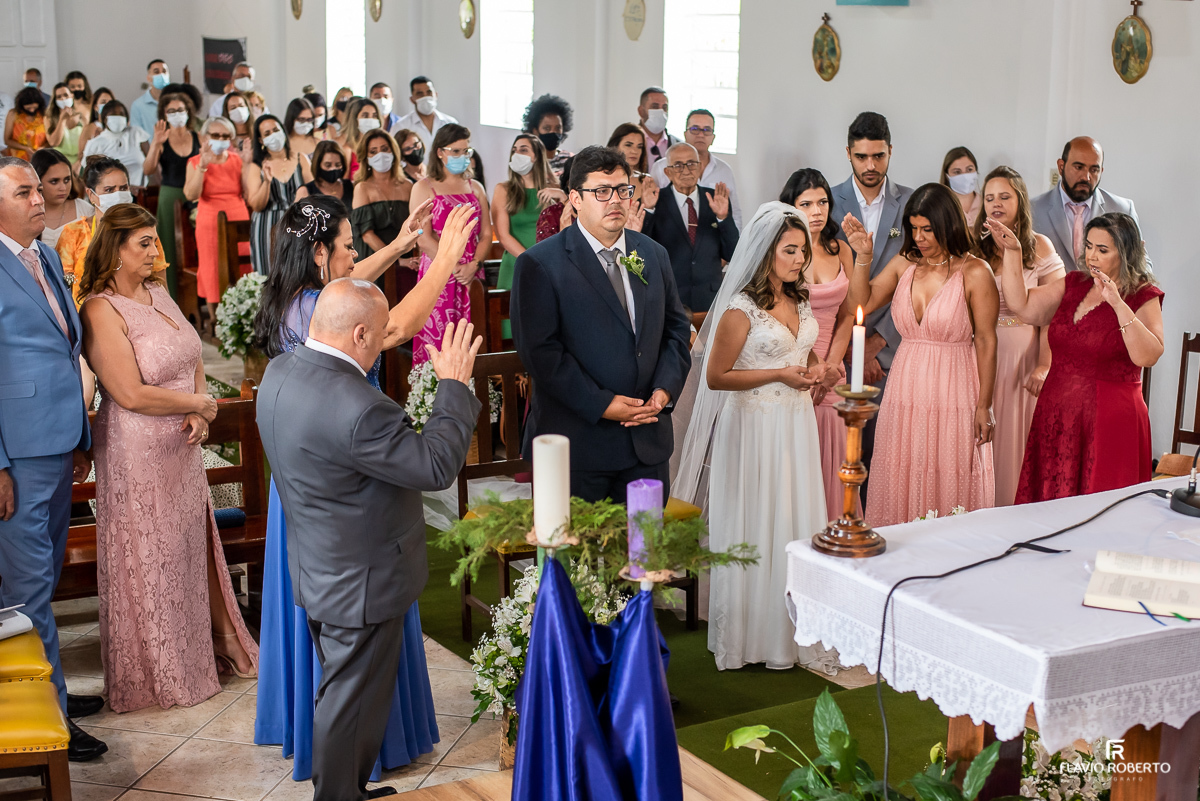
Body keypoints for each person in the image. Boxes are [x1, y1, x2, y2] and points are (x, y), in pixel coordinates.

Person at [252, 196, 470, 789]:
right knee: (349, 692)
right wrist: (452, 384)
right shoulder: (353, 395)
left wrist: (399, 248)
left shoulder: (287, 362)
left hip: (318, 522)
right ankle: (338, 789)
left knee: (344, 686)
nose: (355, 257)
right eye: (348, 247)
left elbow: (357, 301)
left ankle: (346, 782)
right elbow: (433, 464)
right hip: (356, 546)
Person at [77, 202, 258, 712]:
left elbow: (193, 355)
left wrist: (202, 413)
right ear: (114, 252)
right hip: (136, 451)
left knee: (185, 552)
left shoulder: (160, 293)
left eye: (155, 240)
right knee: (149, 558)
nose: (156, 250)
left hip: (181, 447)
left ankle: (208, 651)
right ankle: (158, 671)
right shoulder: (100, 309)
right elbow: (128, 393)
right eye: (145, 243)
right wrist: (197, 404)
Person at [677, 202, 838, 672]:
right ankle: (747, 636)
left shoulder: (802, 300)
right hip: (751, 427)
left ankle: (791, 631)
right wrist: (778, 376)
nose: (799, 261)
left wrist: (817, 373)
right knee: (755, 519)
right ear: (766, 252)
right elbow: (716, 378)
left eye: (802, 252)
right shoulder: (739, 308)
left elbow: (800, 361)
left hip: (795, 424)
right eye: (790, 251)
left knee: (792, 516)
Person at [0, 155, 107, 762]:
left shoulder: (40, 253)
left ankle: (52, 688)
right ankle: (53, 721)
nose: (40, 199)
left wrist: (80, 435)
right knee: (27, 590)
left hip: (58, 438)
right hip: (17, 450)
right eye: (24, 192)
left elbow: (65, 345)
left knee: (43, 576)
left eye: (39, 189)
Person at [511, 145, 692, 502]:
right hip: (578, 445)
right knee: (581, 557)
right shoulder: (541, 264)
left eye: (623, 190)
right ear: (575, 198)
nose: (616, 201)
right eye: (601, 192)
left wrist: (664, 391)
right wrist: (602, 404)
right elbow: (542, 355)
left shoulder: (652, 254)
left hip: (646, 440)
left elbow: (675, 330)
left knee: (646, 553)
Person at [846, 183, 999, 525]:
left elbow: (987, 341)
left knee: (950, 471)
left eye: (927, 229)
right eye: (914, 228)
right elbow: (862, 302)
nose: (919, 237)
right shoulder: (905, 264)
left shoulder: (975, 272)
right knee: (903, 470)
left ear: (948, 225)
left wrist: (984, 404)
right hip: (904, 390)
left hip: (955, 389)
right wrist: (863, 258)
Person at [993, 212, 1163, 503]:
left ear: (1125, 253)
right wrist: (1013, 253)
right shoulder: (1073, 283)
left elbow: (1148, 355)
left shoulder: (1143, 295)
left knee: (1099, 508)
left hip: (1109, 420)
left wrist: (1117, 303)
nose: (1092, 256)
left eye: (1103, 250)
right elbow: (1022, 306)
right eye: (1089, 246)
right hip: (1057, 414)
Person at [829, 112, 914, 499]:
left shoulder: (912, 203)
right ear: (848, 153)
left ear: (890, 152)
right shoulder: (827, 202)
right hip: (837, 346)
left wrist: (879, 342)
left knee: (886, 451)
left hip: (894, 349)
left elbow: (920, 278)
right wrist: (848, 346)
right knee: (841, 453)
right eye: (862, 157)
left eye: (878, 156)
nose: (870, 166)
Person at [971, 166, 1065, 506]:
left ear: (1020, 200)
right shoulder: (974, 246)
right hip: (978, 356)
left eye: (1004, 197)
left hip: (1022, 359)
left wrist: (1043, 364)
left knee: (1015, 445)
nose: (996, 204)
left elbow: (1055, 311)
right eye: (990, 197)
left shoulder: (1038, 245)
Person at [780, 169, 859, 522]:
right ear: (790, 206)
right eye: (806, 203)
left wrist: (832, 366)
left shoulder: (840, 248)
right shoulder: (781, 253)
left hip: (833, 369)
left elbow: (849, 314)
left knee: (837, 460)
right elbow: (777, 315)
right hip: (794, 365)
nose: (816, 211)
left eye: (823, 202)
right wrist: (814, 367)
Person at [409, 124, 490, 366]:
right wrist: (453, 265)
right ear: (440, 153)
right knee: (437, 336)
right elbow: (422, 236)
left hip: (471, 273)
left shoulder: (476, 188)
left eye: (466, 151)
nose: (462, 157)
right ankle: (431, 394)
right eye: (456, 151)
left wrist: (473, 264)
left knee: (473, 335)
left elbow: (486, 234)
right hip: (438, 270)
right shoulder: (424, 187)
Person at [640, 142, 738, 312]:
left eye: (692, 164)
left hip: (709, 301)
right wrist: (648, 210)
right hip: (668, 298)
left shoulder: (715, 199)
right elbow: (641, 252)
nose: (686, 170)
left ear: (700, 167)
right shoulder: (655, 201)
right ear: (668, 172)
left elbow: (733, 253)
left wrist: (723, 218)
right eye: (678, 165)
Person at [57, 156, 167, 305]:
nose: (118, 195)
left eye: (123, 188)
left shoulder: (145, 233)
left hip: (136, 317)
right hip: (85, 319)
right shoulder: (74, 233)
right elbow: (63, 289)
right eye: (109, 190)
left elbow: (161, 286)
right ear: (91, 195)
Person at [1031, 137, 1145, 271]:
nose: (1086, 177)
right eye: (1079, 167)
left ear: (1101, 171)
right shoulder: (1032, 209)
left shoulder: (1123, 209)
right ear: (1061, 167)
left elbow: (1140, 266)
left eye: (1094, 170)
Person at [184, 117, 249, 319]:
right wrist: (203, 166)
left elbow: (247, 192)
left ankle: (244, 312)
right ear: (204, 137)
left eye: (224, 136)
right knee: (212, 267)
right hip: (210, 219)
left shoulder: (237, 160)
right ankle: (216, 319)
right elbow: (191, 194)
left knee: (243, 265)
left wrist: (247, 164)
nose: (220, 139)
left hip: (238, 217)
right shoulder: (194, 161)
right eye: (215, 135)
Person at [493, 133, 554, 339]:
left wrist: (564, 197)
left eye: (523, 150)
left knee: (545, 330)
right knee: (515, 332)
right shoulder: (504, 189)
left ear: (536, 156)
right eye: (514, 150)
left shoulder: (552, 190)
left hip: (548, 267)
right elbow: (503, 235)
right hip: (517, 264)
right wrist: (530, 261)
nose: (516, 153)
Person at [143, 91, 201, 297]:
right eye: (172, 111)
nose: (177, 114)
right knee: (169, 249)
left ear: (188, 112)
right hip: (169, 197)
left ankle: (198, 297)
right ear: (164, 115)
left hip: (195, 196)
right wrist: (156, 143)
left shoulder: (197, 137)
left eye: (181, 110)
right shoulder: (162, 138)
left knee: (197, 248)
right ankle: (173, 298)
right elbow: (148, 169)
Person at [650, 109, 742, 230]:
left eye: (707, 130)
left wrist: (735, 243)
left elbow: (734, 213)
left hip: (710, 240)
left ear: (713, 137)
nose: (700, 134)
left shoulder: (724, 170)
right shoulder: (662, 167)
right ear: (685, 134)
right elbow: (651, 206)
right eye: (695, 129)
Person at [352, 129, 417, 297]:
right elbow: (367, 235)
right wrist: (395, 259)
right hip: (374, 260)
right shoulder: (362, 188)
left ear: (393, 151)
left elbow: (416, 225)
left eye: (385, 149)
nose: (380, 154)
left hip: (406, 259)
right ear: (366, 158)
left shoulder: (407, 186)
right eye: (373, 152)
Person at [245, 113, 312, 275]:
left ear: (283, 131)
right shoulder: (257, 166)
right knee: (270, 275)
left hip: (298, 224)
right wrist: (267, 182)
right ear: (261, 141)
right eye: (267, 134)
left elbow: (313, 193)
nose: (273, 135)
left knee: (300, 273)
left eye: (276, 130)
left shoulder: (300, 159)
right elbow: (257, 205)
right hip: (266, 226)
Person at [32, 148, 92, 249]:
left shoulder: (85, 210)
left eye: (67, 180)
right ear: (37, 181)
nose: (63, 188)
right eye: (54, 181)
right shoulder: (25, 213)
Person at [81, 101, 150, 187]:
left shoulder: (136, 133)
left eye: (121, 114)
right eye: (113, 115)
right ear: (105, 119)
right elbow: (87, 174)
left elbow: (151, 161)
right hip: (109, 193)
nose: (118, 117)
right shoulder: (95, 143)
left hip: (140, 192)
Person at [391, 76, 459, 151]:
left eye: (429, 92)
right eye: (420, 94)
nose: (425, 97)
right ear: (412, 99)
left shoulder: (451, 123)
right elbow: (396, 155)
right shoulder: (401, 126)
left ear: (436, 95)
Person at [522, 94, 574, 178]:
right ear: (535, 130)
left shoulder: (571, 160)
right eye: (547, 128)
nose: (553, 132)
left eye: (558, 128)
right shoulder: (527, 160)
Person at [45, 83, 86, 170]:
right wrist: (62, 120)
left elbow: (88, 141)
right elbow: (53, 143)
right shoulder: (49, 118)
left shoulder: (81, 116)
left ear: (71, 95)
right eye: (59, 97)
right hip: (59, 162)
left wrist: (79, 163)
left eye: (65, 95)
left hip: (81, 162)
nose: (63, 99)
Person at [637, 87, 678, 167]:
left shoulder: (677, 144)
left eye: (664, 107)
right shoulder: (626, 143)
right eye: (655, 106)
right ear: (641, 111)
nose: (661, 111)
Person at [341, 99, 383, 177]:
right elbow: (344, 183)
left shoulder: (382, 148)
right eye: (365, 116)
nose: (371, 120)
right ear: (355, 120)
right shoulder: (347, 150)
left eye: (374, 116)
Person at [940, 146, 980, 228]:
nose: (965, 176)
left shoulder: (987, 204)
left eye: (969, 170)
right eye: (957, 172)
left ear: (976, 170)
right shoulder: (939, 207)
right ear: (947, 175)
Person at [130, 59, 171, 136]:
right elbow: (136, 135)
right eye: (156, 72)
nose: (161, 75)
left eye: (164, 71)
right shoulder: (138, 105)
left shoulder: (175, 102)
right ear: (148, 78)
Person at [4, 86, 47, 159]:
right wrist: (26, 148)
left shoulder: (44, 115)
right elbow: (7, 140)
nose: (32, 110)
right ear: (21, 105)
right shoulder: (13, 114)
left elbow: (50, 140)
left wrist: (42, 148)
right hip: (17, 158)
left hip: (40, 158)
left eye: (34, 107)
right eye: (28, 108)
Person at [76, 87, 114, 160]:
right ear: (96, 107)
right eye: (103, 102)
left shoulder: (119, 126)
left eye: (110, 102)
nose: (107, 105)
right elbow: (81, 156)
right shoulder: (90, 128)